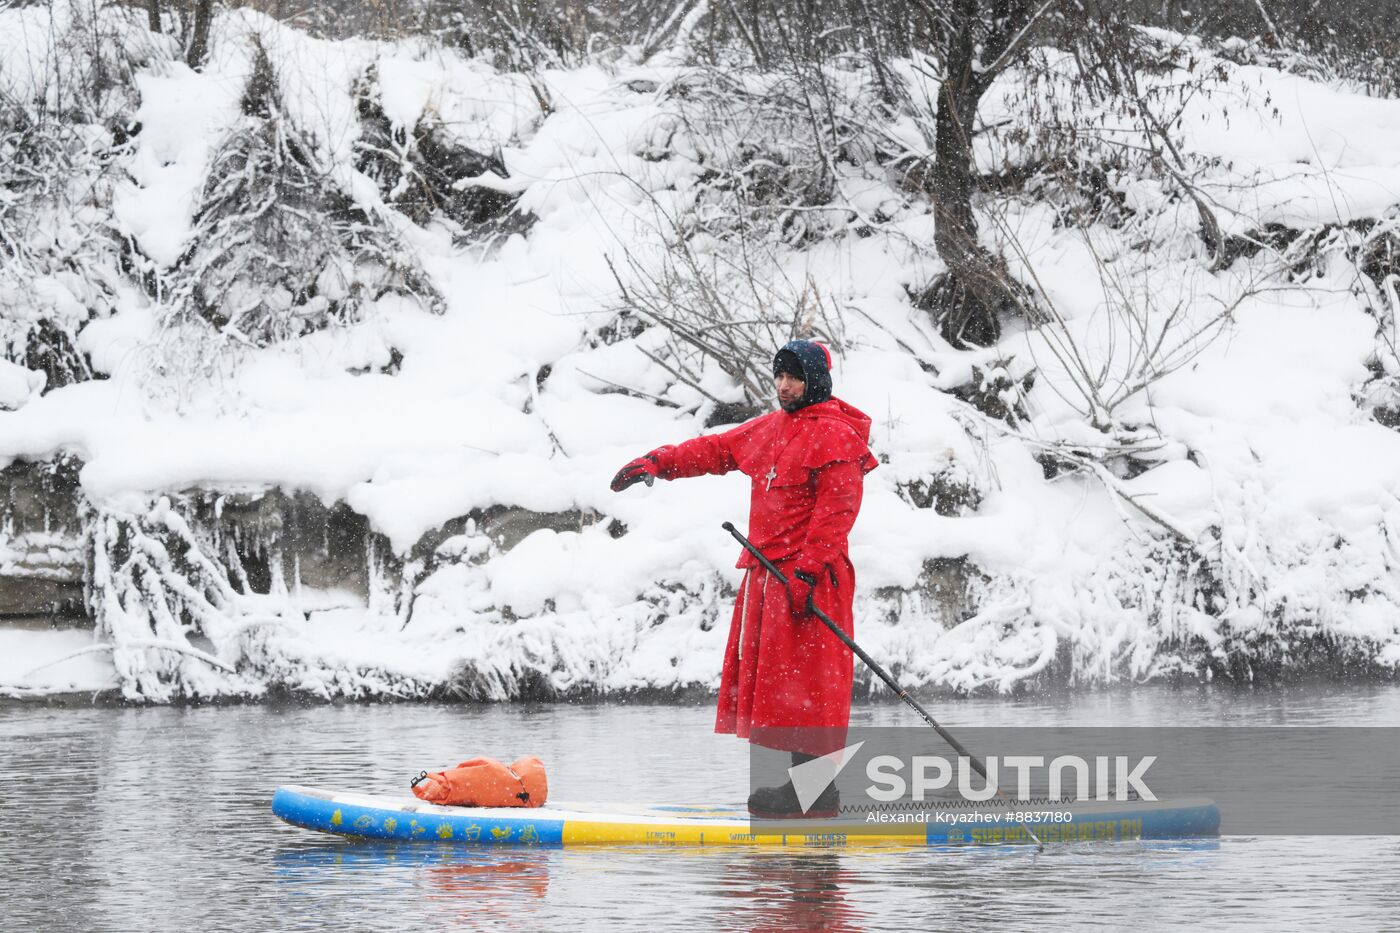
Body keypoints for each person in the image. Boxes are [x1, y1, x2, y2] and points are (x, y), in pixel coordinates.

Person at [610, 339, 877, 818]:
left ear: (814, 379)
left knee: (813, 687)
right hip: (772, 576)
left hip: (812, 577)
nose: (783, 386)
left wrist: (808, 571)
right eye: (778, 376)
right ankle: (811, 793)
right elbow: (716, 450)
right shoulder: (772, 427)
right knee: (790, 690)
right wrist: (660, 462)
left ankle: (817, 794)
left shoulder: (836, 436)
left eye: (793, 377)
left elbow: (838, 512)